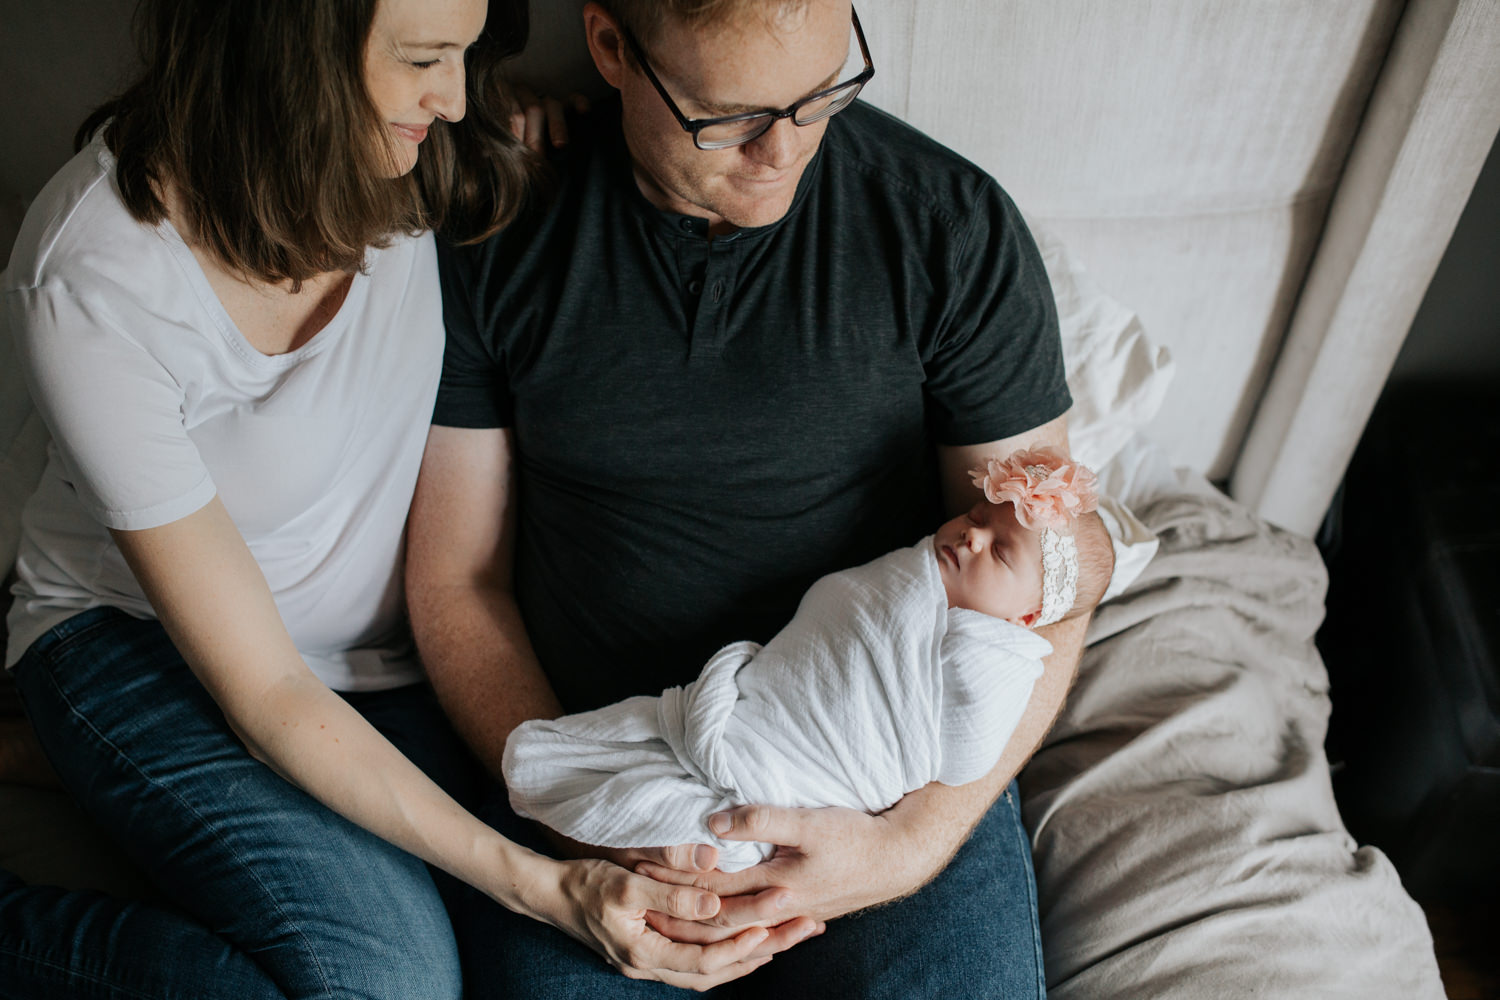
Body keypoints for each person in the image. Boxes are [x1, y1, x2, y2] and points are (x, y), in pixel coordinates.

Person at [0, 0, 785, 996]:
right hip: (142, 646)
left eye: (466, 56)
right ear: (289, 51)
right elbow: (267, 693)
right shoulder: (94, 277)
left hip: (380, 668)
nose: (454, 96)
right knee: (387, 981)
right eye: (424, 58)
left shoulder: (420, 154)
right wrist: (548, 888)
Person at [408, 0, 1091, 994]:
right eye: (729, 116)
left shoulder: (948, 226)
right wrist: (588, 817)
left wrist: (911, 844)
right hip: (609, 772)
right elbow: (457, 579)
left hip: (882, 780)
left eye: (819, 96)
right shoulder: (502, 226)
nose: (785, 151)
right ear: (610, 48)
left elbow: (1051, 579)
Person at [503, 450, 1114, 873]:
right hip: (751, 704)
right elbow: (841, 614)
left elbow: (964, 757)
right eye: (977, 517)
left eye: (1000, 552)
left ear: (1026, 618)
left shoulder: (999, 656)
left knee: (703, 827)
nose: (970, 537)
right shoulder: (914, 570)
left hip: (806, 770)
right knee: (621, 741)